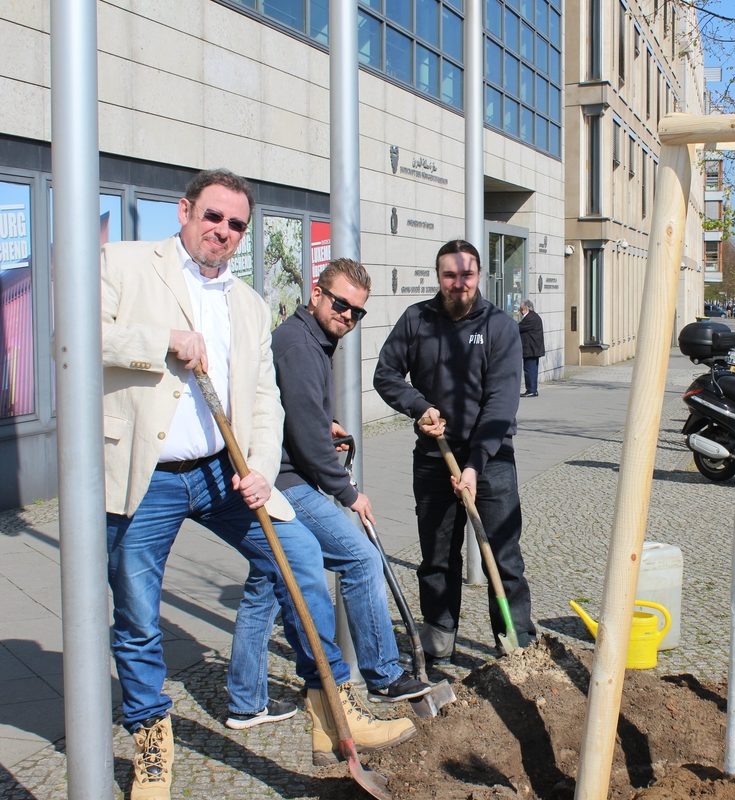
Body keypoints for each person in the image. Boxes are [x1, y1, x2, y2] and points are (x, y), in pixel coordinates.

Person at [100, 169, 412, 800]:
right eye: (213, 216)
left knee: (297, 563)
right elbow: (75, 338)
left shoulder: (246, 303)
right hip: (147, 476)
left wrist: (262, 472)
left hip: (225, 469)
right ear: (186, 211)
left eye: (236, 224)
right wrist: (161, 341)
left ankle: (332, 715)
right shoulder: (124, 264)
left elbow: (265, 402)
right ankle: (153, 748)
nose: (223, 231)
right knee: (136, 613)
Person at [227, 257, 432, 734]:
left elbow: (299, 414)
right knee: (361, 558)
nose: (347, 316)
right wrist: (348, 492)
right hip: (282, 481)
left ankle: (245, 700)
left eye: (357, 311)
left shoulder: (311, 340)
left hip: (274, 473)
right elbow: (301, 430)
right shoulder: (299, 344)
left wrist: (326, 424)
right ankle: (382, 673)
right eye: (341, 304)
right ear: (317, 294)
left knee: (266, 583)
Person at [373, 239, 536, 663]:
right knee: (437, 556)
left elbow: (500, 404)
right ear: (439, 276)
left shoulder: (499, 326)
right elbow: (386, 373)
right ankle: (440, 638)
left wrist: (475, 465)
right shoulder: (417, 321)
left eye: (466, 275)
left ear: (478, 276)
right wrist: (419, 406)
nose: (458, 284)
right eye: (450, 275)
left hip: (491, 460)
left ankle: (515, 642)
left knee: (503, 555)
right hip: (433, 458)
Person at [517, 299, 545, 397]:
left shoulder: (530, 318)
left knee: (530, 370)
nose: (520, 311)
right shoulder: (533, 316)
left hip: (531, 349)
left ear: (525, 308)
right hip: (532, 348)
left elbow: (518, 327)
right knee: (531, 369)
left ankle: (531, 390)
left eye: (521, 309)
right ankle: (532, 389)